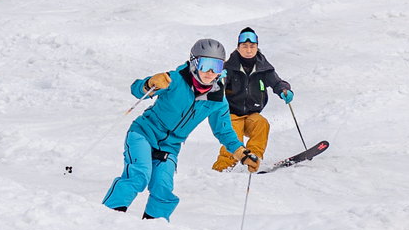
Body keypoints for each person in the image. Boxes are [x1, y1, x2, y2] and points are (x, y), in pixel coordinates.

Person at [103, 39, 258, 220]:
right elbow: (137, 90)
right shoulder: (174, 80)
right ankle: (108, 216)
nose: (210, 72)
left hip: (169, 147)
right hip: (143, 134)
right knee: (140, 174)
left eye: (216, 66)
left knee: (163, 188)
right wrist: (149, 84)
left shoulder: (217, 101)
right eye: (205, 64)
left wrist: (240, 151)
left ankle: (153, 226)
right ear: (193, 63)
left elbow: (224, 131)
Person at [212, 28, 292, 171]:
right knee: (233, 136)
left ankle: (253, 160)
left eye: (252, 46)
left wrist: (284, 90)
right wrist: (219, 78)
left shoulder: (263, 68)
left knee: (261, 124)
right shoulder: (229, 67)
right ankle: (222, 168)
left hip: (251, 114)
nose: (248, 50)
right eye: (245, 46)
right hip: (232, 114)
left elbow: (276, 82)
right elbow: (215, 86)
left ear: (257, 47)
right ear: (238, 47)